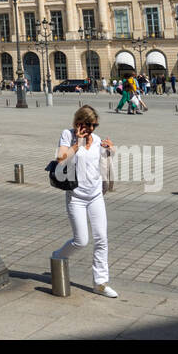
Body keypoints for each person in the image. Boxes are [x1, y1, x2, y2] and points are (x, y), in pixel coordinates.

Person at [52, 105, 117, 298]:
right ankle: (58, 257)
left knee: (101, 238)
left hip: (95, 195)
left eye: (94, 126)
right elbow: (61, 159)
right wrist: (77, 144)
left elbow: (104, 160)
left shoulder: (96, 140)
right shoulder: (67, 135)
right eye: (88, 125)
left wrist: (111, 149)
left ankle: (101, 283)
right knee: (81, 240)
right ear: (78, 122)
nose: (91, 130)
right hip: (76, 197)